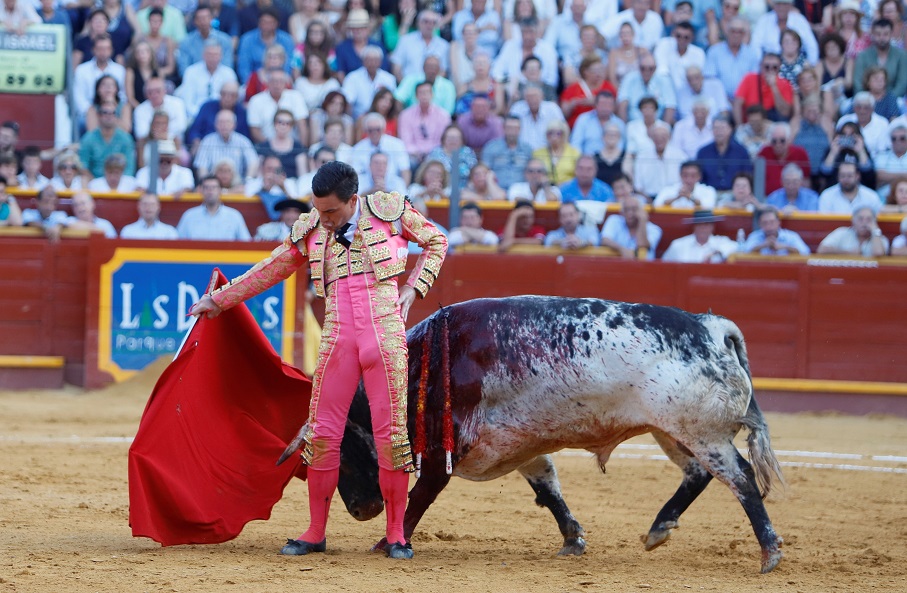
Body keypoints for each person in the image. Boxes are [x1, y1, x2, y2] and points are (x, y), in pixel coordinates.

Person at [188, 161, 447, 559]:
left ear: (353, 200)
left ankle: (396, 533)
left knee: (391, 436)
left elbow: (436, 241)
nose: (323, 219)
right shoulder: (311, 228)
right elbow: (273, 267)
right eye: (318, 209)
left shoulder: (389, 210)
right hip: (338, 337)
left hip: (385, 337)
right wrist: (220, 300)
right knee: (322, 434)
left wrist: (414, 287)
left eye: (331, 211)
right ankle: (315, 531)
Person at [175, 40, 238, 120]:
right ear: (203, 55)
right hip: (196, 116)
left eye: (215, 55)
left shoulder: (229, 74)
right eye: (209, 54)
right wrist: (202, 116)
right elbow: (188, 103)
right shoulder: (191, 72)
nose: (212, 58)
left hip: (222, 118)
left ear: (221, 56)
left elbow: (232, 102)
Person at [703, 17, 760, 103]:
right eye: (733, 31)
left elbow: (753, 81)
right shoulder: (714, 51)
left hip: (744, 102)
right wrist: (726, 101)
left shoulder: (752, 54)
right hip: (719, 101)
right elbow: (710, 80)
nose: (736, 35)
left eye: (740, 32)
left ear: (744, 34)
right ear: (727, 32)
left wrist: (739, 102)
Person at [177, 175, 251, 241]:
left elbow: (246, 243)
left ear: (220, 190)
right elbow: (178, 243)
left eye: (214, 187)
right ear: (201, 191)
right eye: (206, 188)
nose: (210, 191)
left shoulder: (234, 216)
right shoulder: (189, 216)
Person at [248, 68, 309, 145]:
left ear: (286, 83)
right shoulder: (256, 100)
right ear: (267, 82)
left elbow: (302, 126)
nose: (277, 84)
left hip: (293, 147)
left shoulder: (296, 96)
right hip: (266, 147)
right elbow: (255, 130)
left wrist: (301, 148)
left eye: (281, 81)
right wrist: (272, 147)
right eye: (273, 81)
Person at [397, 81, 450, 170]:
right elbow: (406, 141)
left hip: (437, 154)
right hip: (413, 155)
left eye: (427, 92)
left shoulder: (443, 115)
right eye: (421, 93)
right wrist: (418, 153)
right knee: (407, 163)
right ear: (416, 96)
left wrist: (430, 153)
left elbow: (443, 141)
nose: (424, 96)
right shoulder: (405, 115)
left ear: (432, 95)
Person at [80, 99, 136, 179]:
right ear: (99, 116)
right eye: (105, 113)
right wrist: (94, 182)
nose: (109, 116)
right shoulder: (88, 138)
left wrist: (119, 183)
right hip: (94, 182)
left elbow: (129, 168)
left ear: (117, 117)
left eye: (113, 113)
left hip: (120, 182)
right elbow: (83, 166)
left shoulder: (126, 138)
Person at [195, 110, 259, 180]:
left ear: (234, 124)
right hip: (214, 183)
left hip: (237, 183)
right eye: (221, 122)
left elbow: (253, 162)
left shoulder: (243, 141)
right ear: (215, 124)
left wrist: (248, 180)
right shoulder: (207, 141)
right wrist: (206, 183)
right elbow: (201, 166)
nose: (224, 125)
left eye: (227, 122)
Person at [236, 7, 294, 84]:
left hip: (281, 82)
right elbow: (243, 67)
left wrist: (279, 82)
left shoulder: (287, 40)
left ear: (277, 24)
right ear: (258, 22)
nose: (266, 26)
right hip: (253, 82)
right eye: (263, 22)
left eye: (270, 22)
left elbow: (288, 66)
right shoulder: (247, 39)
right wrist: (252, 83)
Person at [696, 114, 752, 192]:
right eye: (716, 128)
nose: (719, 132)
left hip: (734, 193)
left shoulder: (741, 152)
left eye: (722, 128)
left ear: (730, 129)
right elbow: (698, 177)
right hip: (708, 193)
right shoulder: (703, 152)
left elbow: (747, 175)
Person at [853, 18, 907, 98]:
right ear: (873, 34)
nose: (882, 38)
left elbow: (902, 83)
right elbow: (858, 82)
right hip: (867, 99)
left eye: (885, 34)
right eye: (878, 34)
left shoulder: (901, 55)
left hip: (893, 99)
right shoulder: (863, 56)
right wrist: (868, 98)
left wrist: (888, 99)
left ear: (891, 34)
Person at [617, 53, 677, 125]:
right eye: (643, 68)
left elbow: (670, 106)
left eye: (650, 69)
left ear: (655, 68)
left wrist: (665, 127)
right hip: (633, 124)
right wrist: (624, 126)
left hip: (657, 125)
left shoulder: (664, 80)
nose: (647, 72)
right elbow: (622, 104)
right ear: (639, 67)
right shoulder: (630, 78)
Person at [599, 191, 662, 259]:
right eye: (626, 210)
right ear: (622, 212)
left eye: (634, 209)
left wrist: (642, 221)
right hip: (616, 263)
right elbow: (604, 240)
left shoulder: (654, 229)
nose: (630, 213)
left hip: (642, 265)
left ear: (641, 211)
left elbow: (642, 245)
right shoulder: (614, 220)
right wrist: (622, 249)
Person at [341, 46, 397, 120]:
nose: (372, 63)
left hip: (383, 118)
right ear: (363, 61)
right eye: (369, 60)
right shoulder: (352, 77)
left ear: (380, 62)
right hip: (358, 119)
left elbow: (392, 102)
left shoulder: (389, 79)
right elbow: (348, 101)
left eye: (375, 60)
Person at [661, 209, 738, 263]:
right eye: (699, 224)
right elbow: (665, 264)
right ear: (694, 226)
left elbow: (737, 247)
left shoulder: (721, 242)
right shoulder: (678, 245)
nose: (703, 228)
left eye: (706, 224)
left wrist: (717, 252)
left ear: (712, 227)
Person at [757, 122, 811, 193]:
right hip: (768, 198)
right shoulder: (764, 153)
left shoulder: (800, 153)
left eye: (782, 141)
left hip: (794, 197)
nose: (778, 144)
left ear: (789, 140)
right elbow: (758, 180)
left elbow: (806, 180)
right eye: (774, 141)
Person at [817, 205, 889, 257]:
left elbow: (878, 253)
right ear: (853, 221)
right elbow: (822, 249)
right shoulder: (842, 232)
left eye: (869, 219)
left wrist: (875, 231)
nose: (864, 223)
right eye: (860, 219)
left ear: (874, 222)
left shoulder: (880, 239)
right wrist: (848, 253)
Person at [741, 207, 810, 256]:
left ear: (778, 222)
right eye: (765, 223)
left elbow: (805, 253)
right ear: (760, 224)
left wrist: (785, 247)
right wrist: (763, 245)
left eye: (772, 222)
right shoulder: (754, 236)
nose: (769, 226)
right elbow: (744, 254)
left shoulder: (791, 236)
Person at [818, 161, 883, 214]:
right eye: (843, 176)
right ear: (837, 177)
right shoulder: (827, 195)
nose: (846, 179)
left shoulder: (871, 196)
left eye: (849, 176)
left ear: (857, 176)